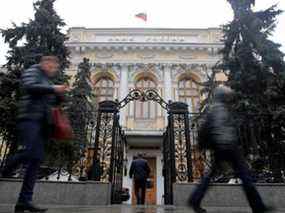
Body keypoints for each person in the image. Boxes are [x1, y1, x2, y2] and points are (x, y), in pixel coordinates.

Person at [1, 56, 69, 213]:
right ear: (46, 63)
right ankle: (4, 170)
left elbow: (51, 101)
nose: (54, 70)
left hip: (42, 124)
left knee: (35, 160)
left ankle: (24, 201)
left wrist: (59, 96)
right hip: (29, 119)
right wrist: (53, 89)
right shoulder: (33, 71)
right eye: (53, 67)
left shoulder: (46, 80)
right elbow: (30, 87)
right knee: (27, 152)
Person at [188, 86, 272, 213]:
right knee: (244, 175)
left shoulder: (215, 108)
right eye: (227, 96)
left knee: (212, 176)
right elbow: (221, 128)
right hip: (227, 146)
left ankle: (195, 199)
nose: (230, 98)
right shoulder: (220, 109)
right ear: (223, 97)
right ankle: (258, 206)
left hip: (221, 147)